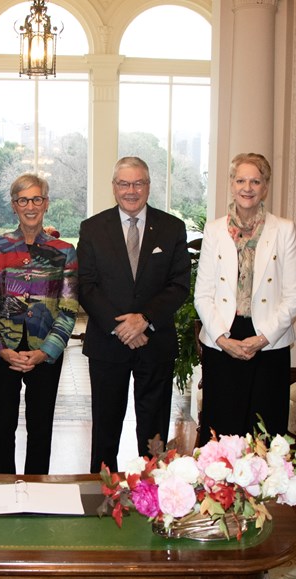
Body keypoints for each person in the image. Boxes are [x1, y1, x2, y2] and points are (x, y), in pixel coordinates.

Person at [78, 156, 190, 473]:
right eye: (124, 183)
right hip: (107, 344)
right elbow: (86, 286)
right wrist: (123, 327)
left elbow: (178, 285)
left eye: (138, 183)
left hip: (155, 343)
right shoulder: (92, 228)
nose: (131, 190)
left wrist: (144, 320)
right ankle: (101, 490)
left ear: (148, 186)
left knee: (153, 430)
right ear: (114, 187)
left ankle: (154, 492)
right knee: (105, 426)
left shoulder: (171, 228)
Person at [0, 174, 78, 474]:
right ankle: (2, 489)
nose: (30, 206)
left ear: (46, 203)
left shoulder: (64, 251)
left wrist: (47, 351)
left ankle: (37, 491)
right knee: (2, 429)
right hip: (1, 352)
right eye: (23, 200)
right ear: (13, 205)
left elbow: (69, 308)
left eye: (36, 199)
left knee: (41, 429)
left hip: (45, 353)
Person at [194, 153, 296, 439]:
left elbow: (294, 295)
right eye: (241, 180)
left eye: (255, 181)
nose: (248, 187)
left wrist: (263, 338)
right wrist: (222, 339)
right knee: (222, 430)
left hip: (269, 340)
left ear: (265, 186)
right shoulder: (214, 230)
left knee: (265, 430)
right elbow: (202, 294)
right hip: (224, 339)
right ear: (231, 184)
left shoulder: (284, 229)